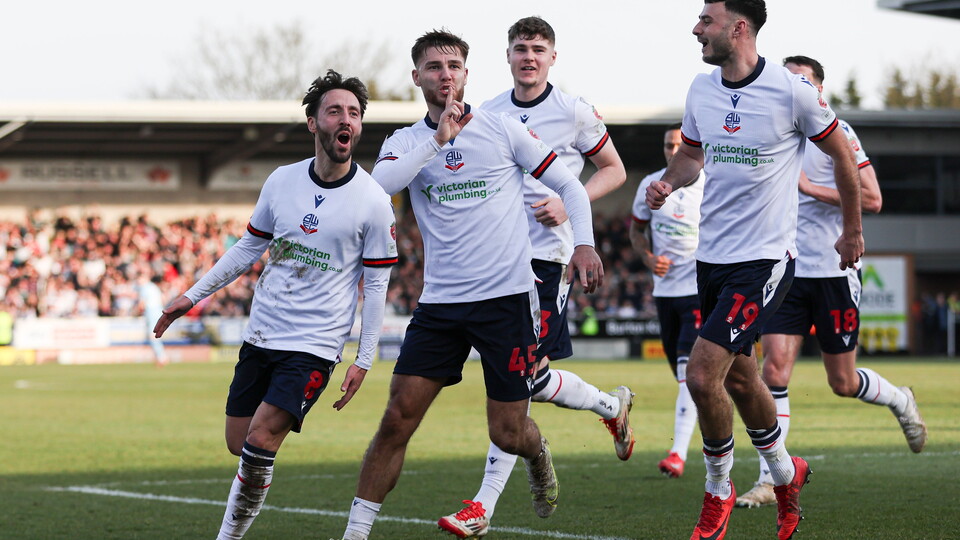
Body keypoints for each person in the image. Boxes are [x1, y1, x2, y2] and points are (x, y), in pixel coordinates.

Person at [337, 29, 603, 540]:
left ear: (466, 74)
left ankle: (537, 452)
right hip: (440, 306)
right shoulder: (405, 142)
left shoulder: (502, 129)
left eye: (454, 66)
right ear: (416, 77)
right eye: (434, 67)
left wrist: (585, 244)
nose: (445, 75)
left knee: (509, 431)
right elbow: (375, 190)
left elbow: (569, 185)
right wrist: (438, 140)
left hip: (507, 301)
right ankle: (355, 534)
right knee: (396, 419)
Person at [645, 1, 865, 538]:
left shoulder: (793, 91)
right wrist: (670, 180)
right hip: (711, 261)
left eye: (707, 20)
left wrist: (852, 230)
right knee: (742, 379)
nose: (696, 28)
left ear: (738, 27)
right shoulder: (701, 90)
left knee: (702, 375)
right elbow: (691, 156)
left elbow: (842, 157)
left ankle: (717, 490)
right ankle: (788, 475)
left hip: (765, 261)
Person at [153, 70, 397, 540]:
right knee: (240, 442)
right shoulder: (282, 181)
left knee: (261, 437)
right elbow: (248, 247)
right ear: (313, 122)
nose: (346, 120)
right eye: (335, 111)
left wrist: (363, 359)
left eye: (354, 113)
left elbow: (377, 284)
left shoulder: (373, 200)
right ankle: (253, 482)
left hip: (314, 345)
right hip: (262, 333)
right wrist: (192, 295)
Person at [436, 16, 629, 538]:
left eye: (538, 49)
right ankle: (612, 406)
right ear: (507, 56)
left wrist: (570, 202)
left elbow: (614, 169)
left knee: (516, 379)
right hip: (496, 261)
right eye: (520, 48)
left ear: (552, 58)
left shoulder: (574, 110)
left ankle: (483, 505)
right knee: (532, 378)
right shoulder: (488, 112)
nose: (529, 57)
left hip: (546, 258)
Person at [734, 55, 927, 508]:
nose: (793, 87)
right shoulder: (771, 130)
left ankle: (899, 399)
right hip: (786, 268)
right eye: (788, 79)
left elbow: (873, 199)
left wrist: (810, 189)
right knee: (774, 370)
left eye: (802, 81)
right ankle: (771, 479)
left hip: (834, 269)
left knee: (841, 381)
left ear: (818, 90)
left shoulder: (839, 133)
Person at [630, 123, 704, 479]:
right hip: (665, 293)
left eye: (679, 144)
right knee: (686, 377)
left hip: (699, 291)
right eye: (667, 145)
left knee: (689, 374)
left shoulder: (709, 185)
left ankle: (678, 454)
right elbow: (636, 230)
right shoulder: (651, 185)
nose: (672, 151)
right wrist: (647, 258)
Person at [137, 272, 169, 367]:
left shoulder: (145, 287)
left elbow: (141, 304)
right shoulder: (154, 287)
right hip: (159, 310)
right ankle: (160, 356)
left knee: (153, 335)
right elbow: (163, 299)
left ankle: (161, 357)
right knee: (156, 335)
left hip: (151, 312)